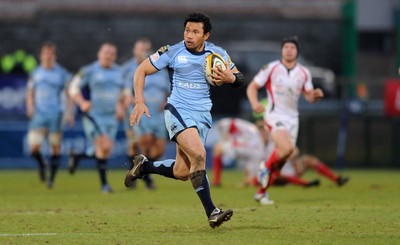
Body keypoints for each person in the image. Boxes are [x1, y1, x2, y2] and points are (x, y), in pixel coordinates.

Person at [125, 12, 244, 228]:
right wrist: (139, 100)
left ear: (205, 35)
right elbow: (141, 70)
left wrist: (231, 78)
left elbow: (239, 78)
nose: (189, 35)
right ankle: (212, 212)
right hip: (177, 110)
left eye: (195, 32)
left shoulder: (217, 54)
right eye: (187, 30)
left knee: (182, 172)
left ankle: (143, 167)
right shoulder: (172, 51)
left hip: (203, 115)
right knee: (199, 154)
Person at [246, 36, 324, 204]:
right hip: (274, 115)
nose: (289, 50)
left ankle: (261, 193)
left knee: (283, 159)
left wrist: (315, 95)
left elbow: (309, 96)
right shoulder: (271, 68)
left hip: (292, 119)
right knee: (287, 148)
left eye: (292, 47)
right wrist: (255, 103)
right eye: (286, 47)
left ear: (297, 51)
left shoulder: (304, 72)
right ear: (282, 50)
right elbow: (252, 87)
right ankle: (265, 168)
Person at [68, 42, 125, 193]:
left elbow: (124, 92)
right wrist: (81, 102)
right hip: (94, 115)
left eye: (112, 53)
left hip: (111, 117)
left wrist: (121, 106)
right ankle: (104, 185)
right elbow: (73, 87)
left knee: (104, 151)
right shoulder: (89, 70)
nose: (108, 55)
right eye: (106, 52)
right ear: (99, 54)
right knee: (104, 146)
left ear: (115, 56)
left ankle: (78, 156)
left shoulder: (119, 72)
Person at [121, 38, 170, 190]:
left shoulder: (161, 71)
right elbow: (126, 91)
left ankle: (141, 170)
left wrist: (166, 100)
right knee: (144, 142)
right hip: (142, 114)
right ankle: (144, 177)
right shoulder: (133, 70)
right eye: (141, 50)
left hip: (159, 115)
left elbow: (168, 90)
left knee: (159, 150)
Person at [26, 42, 73, 189]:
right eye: (45, 53)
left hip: (56, 113)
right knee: (33, 148)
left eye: (50, 53)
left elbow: (69, 93)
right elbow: (30, 92)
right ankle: (42, 164)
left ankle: (51, 180)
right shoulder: (35, 72)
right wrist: (30, 107)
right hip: (39, 113)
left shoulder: (61, 73)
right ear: (41, 55)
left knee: (55, 146)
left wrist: (70, 112)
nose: (48, 56)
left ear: (54, 56)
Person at [211, 118, 273, 187]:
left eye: (264, 129)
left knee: (252, 181)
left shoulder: (272, 141)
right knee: (217, 149)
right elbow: (226, 124)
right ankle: (216, 181)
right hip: (251, 153)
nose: (262, 131)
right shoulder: (253, 133)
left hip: (257, 157)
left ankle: (217, 181)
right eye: (261, 129)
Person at [274, 148, 349, 187]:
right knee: (276, 173)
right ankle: (306, 183)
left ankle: (336, 179)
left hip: (292, 169)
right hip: (274, 175)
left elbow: (295, 151)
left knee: (309, 160)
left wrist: (291, 157)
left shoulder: (280, 134)